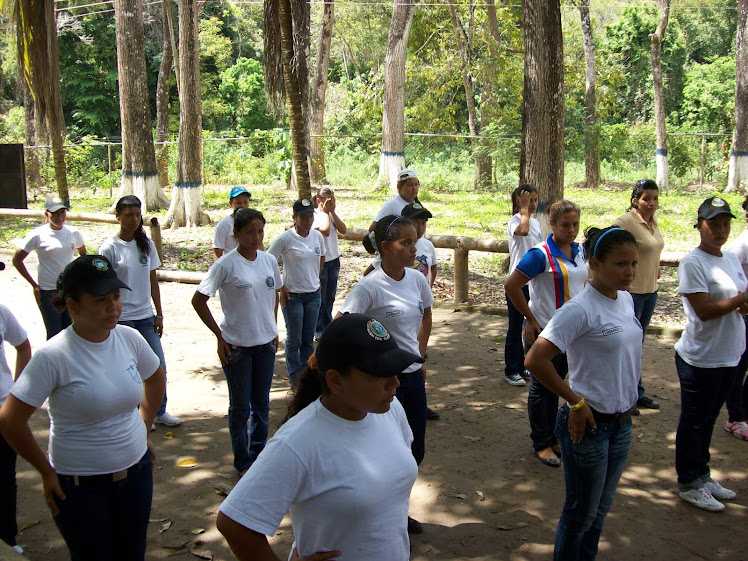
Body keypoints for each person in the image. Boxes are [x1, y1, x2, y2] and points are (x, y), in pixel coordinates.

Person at [216, 313, 421, 561]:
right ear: (336, 381)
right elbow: (234, 523)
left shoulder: (389, 410)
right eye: (380, 375)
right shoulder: (297, 442)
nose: (396, 383)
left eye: (396, 371)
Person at [0, 255, 165, 561]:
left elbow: (155, 378)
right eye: (101, 300)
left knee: (132, 553)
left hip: (136, 474)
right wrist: (45, 471)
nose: (113, 307)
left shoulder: (128, 338)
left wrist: (143, 427)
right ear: (73, 306)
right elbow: (10, 420)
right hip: (80, 487)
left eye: (116, 297)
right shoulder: (54, 356)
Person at [525, 226, 640, 561]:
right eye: (620, 264)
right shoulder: (579, 310)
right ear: (594, 264)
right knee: (580, 515)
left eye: (633, 263)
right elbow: (535, 360)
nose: (629, 271)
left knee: (600, 513)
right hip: (588, 427)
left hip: (621, 424)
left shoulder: (627, 299)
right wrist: (575, 400)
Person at [338, 215, 433, 534]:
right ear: (385, 248)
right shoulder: (369, 286)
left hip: (412, 377)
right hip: (382, 384)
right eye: (406, 243)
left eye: (414, 242)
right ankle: (382, 514)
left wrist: (420, 356)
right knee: (385, 448)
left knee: (414, 448)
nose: (413, 248)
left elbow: (426, 316)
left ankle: (397, 509)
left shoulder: (417, 279)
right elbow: (343, 325)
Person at [193, 208, 282, 474]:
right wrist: (219, 336)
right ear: (237, 234)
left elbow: (274, 293)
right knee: (240, 407)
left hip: (265, 344)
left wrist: (273, 327)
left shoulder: (267, 261)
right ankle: (243, 461)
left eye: (260, 231)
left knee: (262, 404)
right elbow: (199, 300)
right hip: (237, 347)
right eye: (250, 232)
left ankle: (259, 455)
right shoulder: (225, 264)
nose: (256, 237)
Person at [673, 197, 748, 512]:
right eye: (713, 224)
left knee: (709, 418)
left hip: (729, 354)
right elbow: (703, 309)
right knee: (694, 420)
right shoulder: (693, 262)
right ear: (699, 225)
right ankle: (688, 481)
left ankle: (702, 475)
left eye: (725, 224)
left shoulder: (729, 258)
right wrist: (741, 299)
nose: (720, 230)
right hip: (701, 358)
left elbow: (738, 300)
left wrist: (741, 301)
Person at [504, 200, 588, 467]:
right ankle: (542, 442)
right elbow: (512, 285)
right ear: (552, 225)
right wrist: (529, 319)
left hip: (573, 333)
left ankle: (553, 436)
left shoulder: (579, 251)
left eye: (575, 224)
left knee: (560, 383)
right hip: (546, 331)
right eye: (565, 225)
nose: (572, 230)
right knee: (543, 387)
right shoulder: (540, 254)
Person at [100, 195, 181, 429]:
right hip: (122, 319)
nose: (134, 219)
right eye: (128, 215)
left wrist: (159, 313)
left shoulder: (146, 245)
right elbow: (105, 286)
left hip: (145, 316)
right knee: (128, 370)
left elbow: (153, 280)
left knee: (157, 365)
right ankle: (135, 415)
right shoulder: (110, 248)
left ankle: (159, 411)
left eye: (137, 215)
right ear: (118, 217)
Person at [614, 179, 664, 413]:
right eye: (647, 198)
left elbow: (652, 249)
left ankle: (635, 391)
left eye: (655, 198)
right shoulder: (626, 222)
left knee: (638, 345)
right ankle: (624, 395)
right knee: (626, 346)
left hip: (650, 291)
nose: (651, 203)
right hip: (631, 293)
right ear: (635, 200)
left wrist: (656, 268)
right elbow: (609, 247)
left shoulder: (652, 222)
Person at [13, 197, 87, 339]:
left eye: (62, 213)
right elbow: (17, 260)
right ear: (47, 214)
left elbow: (83, 255)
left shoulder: (73, 232)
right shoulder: (37, 235)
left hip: (69, 289)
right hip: (48, 291)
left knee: (72, 331)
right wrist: (34, 285)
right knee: (54, 334)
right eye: (55, 213)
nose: (59, 217)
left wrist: (78, 279)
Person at [268, 199, 325, 385]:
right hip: (293, 296)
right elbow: (268, 261)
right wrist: (280, 286)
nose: (308, 220)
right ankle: (294, 378)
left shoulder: (317, 237)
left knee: (309, 339)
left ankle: (307, 377)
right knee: (295, 339)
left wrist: (316, 276)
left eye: (310, 216)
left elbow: (322, 256)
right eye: (303, 216)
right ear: (294, 217)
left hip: (313, 294)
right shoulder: (286, 238)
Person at [0, 304, 31, 555]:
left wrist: (15, 392)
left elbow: (23, 346)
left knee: (4, 477)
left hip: (1, 411)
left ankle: (8, 537)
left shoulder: (1, 312)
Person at [504, 184, 542, 387]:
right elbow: (523, 231)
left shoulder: (535, 222)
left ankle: (526, 363)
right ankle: (511, 369)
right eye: (529, 200)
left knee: (532, 324)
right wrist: (524, 210)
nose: (534, 204)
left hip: (534, 282)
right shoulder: (515, 221)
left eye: (536, 200)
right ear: (518, 201)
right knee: (515, 325)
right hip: (516, 283)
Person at [724, 196, 748, 440]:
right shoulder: (742, 245)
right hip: (744, 315)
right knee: (738, 367)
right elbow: (732, 280)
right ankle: (736, 416)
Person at [313, 187, 347, 340]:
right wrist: (326, 212)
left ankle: (327, 324)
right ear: (319, 200)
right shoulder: (314, 216)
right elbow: (325, 231)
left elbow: (343, 230)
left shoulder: (331, 215)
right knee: (320, 296)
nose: (331, 203)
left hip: (334, 259)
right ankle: (318, 328)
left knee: (330, 295)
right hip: (321, 261)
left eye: (333, 200)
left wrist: (332, 212)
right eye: (328, 200)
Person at [214, 186, 253, 261]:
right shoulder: (224, 225)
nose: (242, 206)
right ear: (231, 203)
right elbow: (217, 253)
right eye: (238, 203)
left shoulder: (253, 222)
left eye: (245, 202)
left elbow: (259, 246)